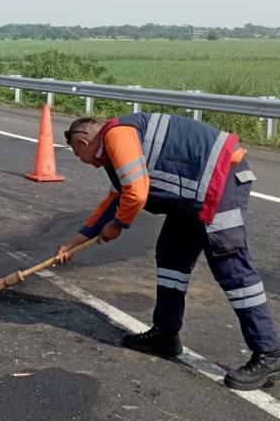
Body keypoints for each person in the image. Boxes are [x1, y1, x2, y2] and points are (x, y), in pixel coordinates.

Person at [55, 113, 280, 390]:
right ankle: (166, 333)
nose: (82, 160)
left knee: (232, 269)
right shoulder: (116, 149)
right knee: (172, 256)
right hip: (191, 196)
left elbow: (135, 193)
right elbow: (116, 198)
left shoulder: (117, 136)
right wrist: (74, 242)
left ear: (84, 140)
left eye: (78, 154)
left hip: (219, 184)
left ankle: (269, 353)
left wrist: (119, 225)